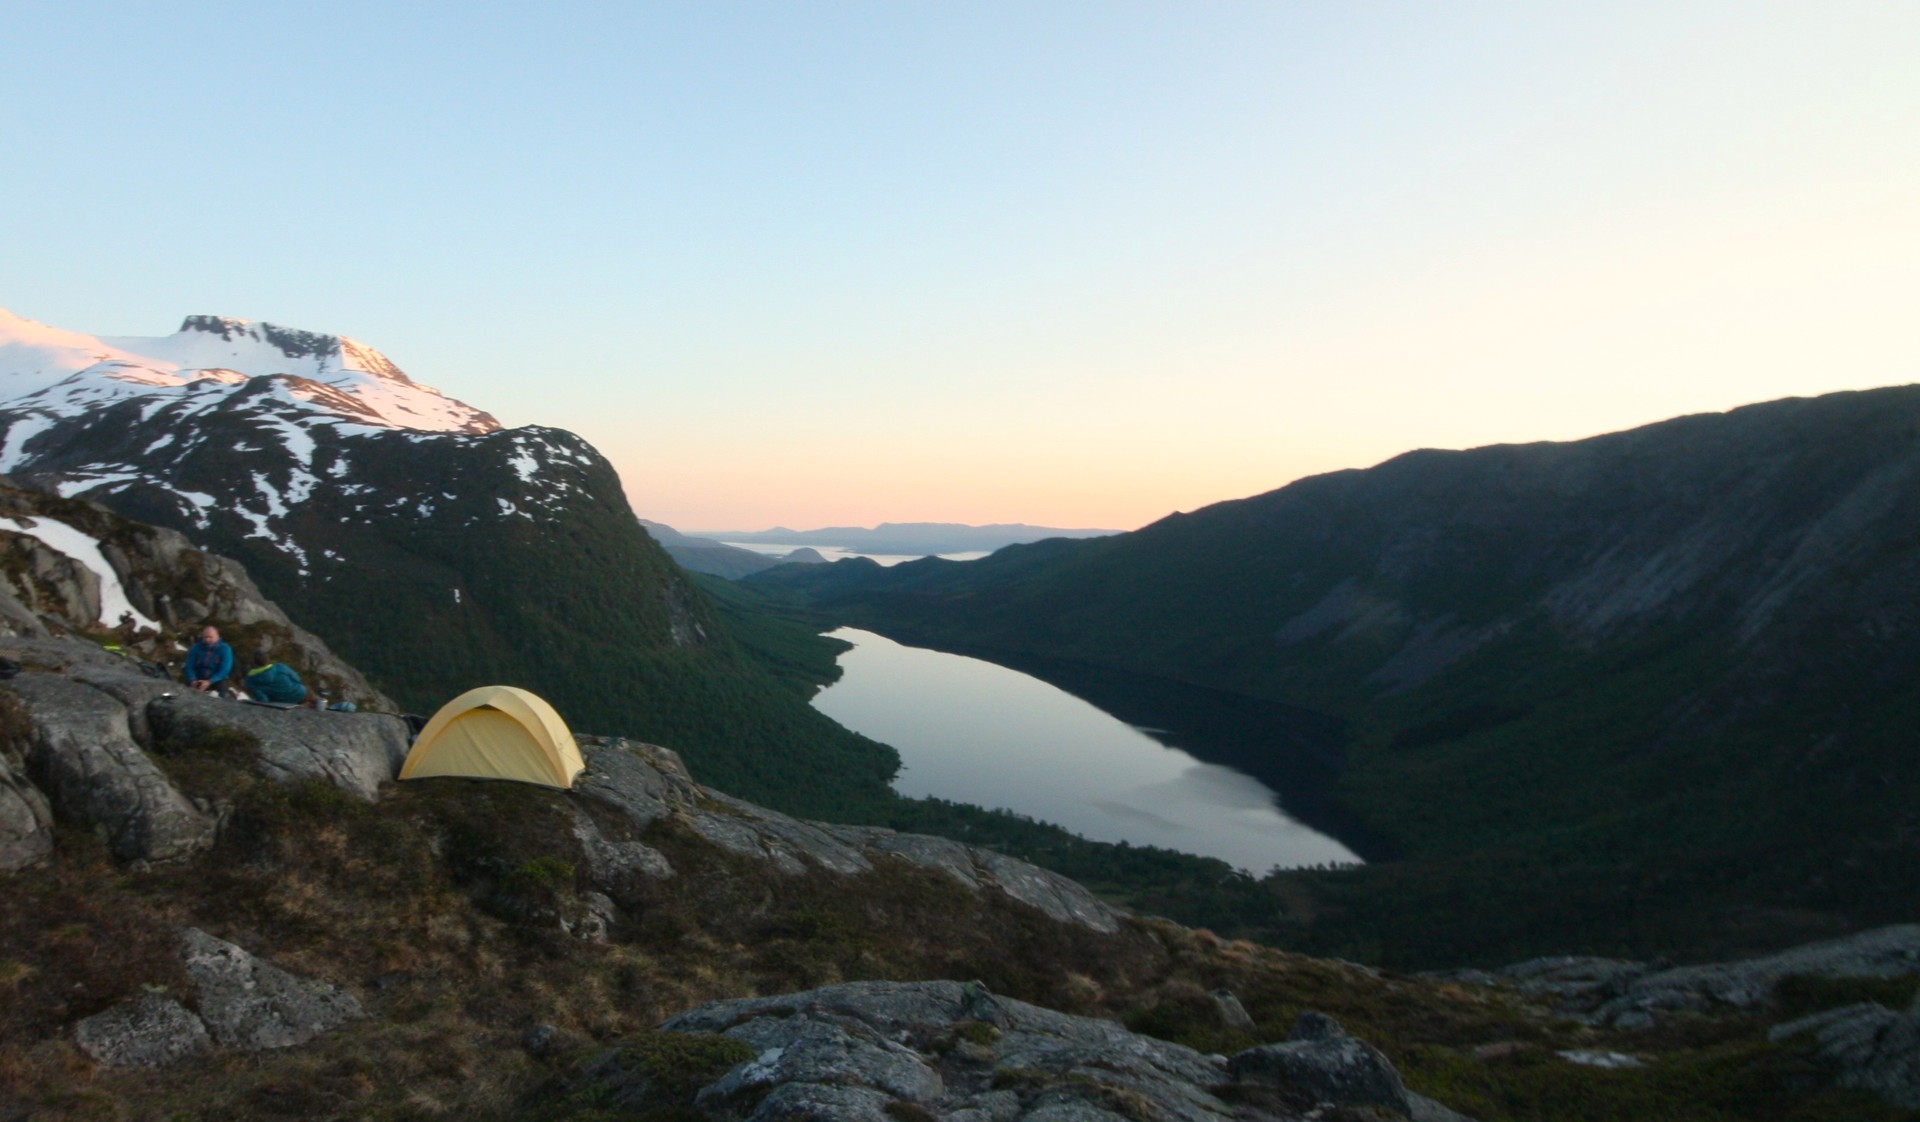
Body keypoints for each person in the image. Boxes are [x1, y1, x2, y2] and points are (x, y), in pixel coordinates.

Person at [183, 626, 233, 693]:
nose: (207, 639)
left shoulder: (225, 649)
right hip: (198, 677)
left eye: (210, 637)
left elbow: (225, 669)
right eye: (205, 637)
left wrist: (210, 681)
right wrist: (192, 679)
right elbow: (189, 665)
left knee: (222, 690)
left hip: (216, 679)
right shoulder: (196, 647)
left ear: (217, 636)